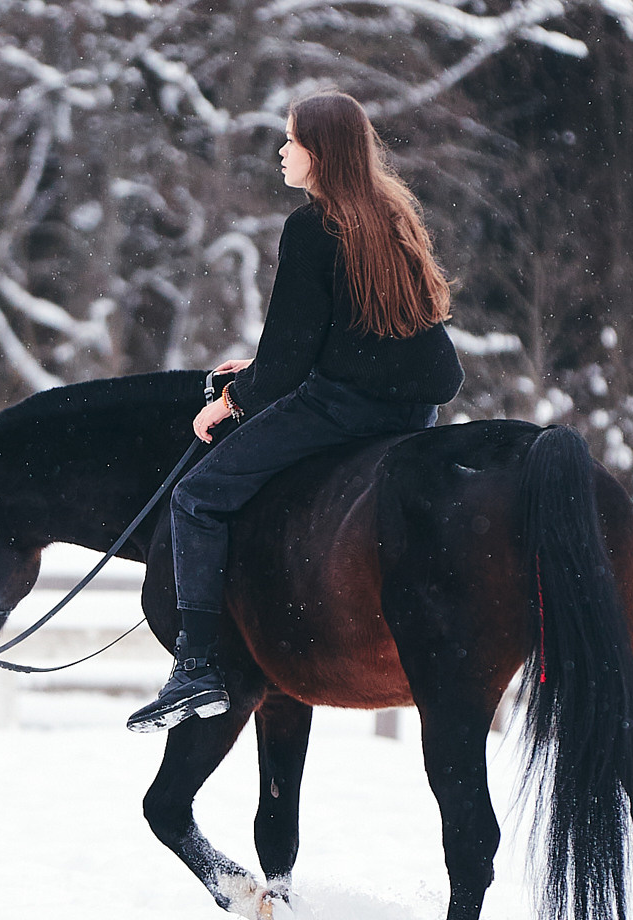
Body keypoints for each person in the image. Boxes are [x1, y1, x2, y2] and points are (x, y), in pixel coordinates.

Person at [126, 92, 463, 733]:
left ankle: (197, 667)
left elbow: (286, 367)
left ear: (322, 154)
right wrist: (252, 373)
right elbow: (350, 333)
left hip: (343, 410)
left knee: (198, 497)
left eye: (293, 141)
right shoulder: (389, 213)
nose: (282, 151)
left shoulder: (313, 226)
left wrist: (231, 401)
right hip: (411, 415)